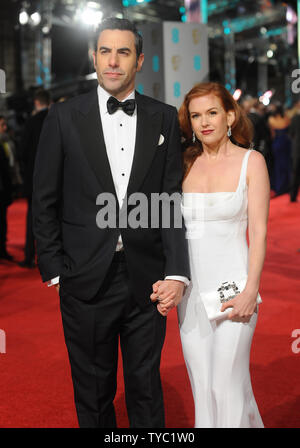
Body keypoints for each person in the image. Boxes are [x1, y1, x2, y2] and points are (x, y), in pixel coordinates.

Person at [32, 17, 190, 428]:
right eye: (105, 51)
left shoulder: (163, 117)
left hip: (147, 278)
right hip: (83, 279)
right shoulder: (64, 118)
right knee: (93, 391)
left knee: (145, 388)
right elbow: (44, 199)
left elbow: (169, 201)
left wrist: (176, 270)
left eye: (123, 52)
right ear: (93, 56)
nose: (113, 62)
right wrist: (54, 270)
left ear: (139, 60)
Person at [174, 82, 269, 427]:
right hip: (191, 295)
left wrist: (250, 292)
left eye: (212, 112)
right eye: (196, 115)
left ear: (230, 115)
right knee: (203, 387)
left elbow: (258, 232)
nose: (204, 122)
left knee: (224, 384)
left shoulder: (251, 162)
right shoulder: (183, 164)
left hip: (236, 290)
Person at [18, 89, 50, 268]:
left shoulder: (31, 123)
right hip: (57, 178)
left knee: (33, 218)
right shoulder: (57, 119)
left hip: (34, 179)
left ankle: (30, 256)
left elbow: (22, 152)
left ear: (37, 102)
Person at [268, 103, 292, 196]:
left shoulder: (271, 119)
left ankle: (279, 187)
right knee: (287, 164)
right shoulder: (286, 118)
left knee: (278, 165)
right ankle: (287, 186)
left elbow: (272, 134)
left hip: (277, 143)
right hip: (286, 143)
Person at [0, 142, 13, 260]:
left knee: (2, 221)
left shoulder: (4, 144)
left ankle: (2, 249)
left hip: (2, 190)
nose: (4, 128)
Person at [289, 101, 300, 202]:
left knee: (295, 173)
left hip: (296, 149)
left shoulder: (294, 118)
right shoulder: (294, 118)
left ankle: (293, 196)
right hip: (296, 149)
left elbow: (290, 133)